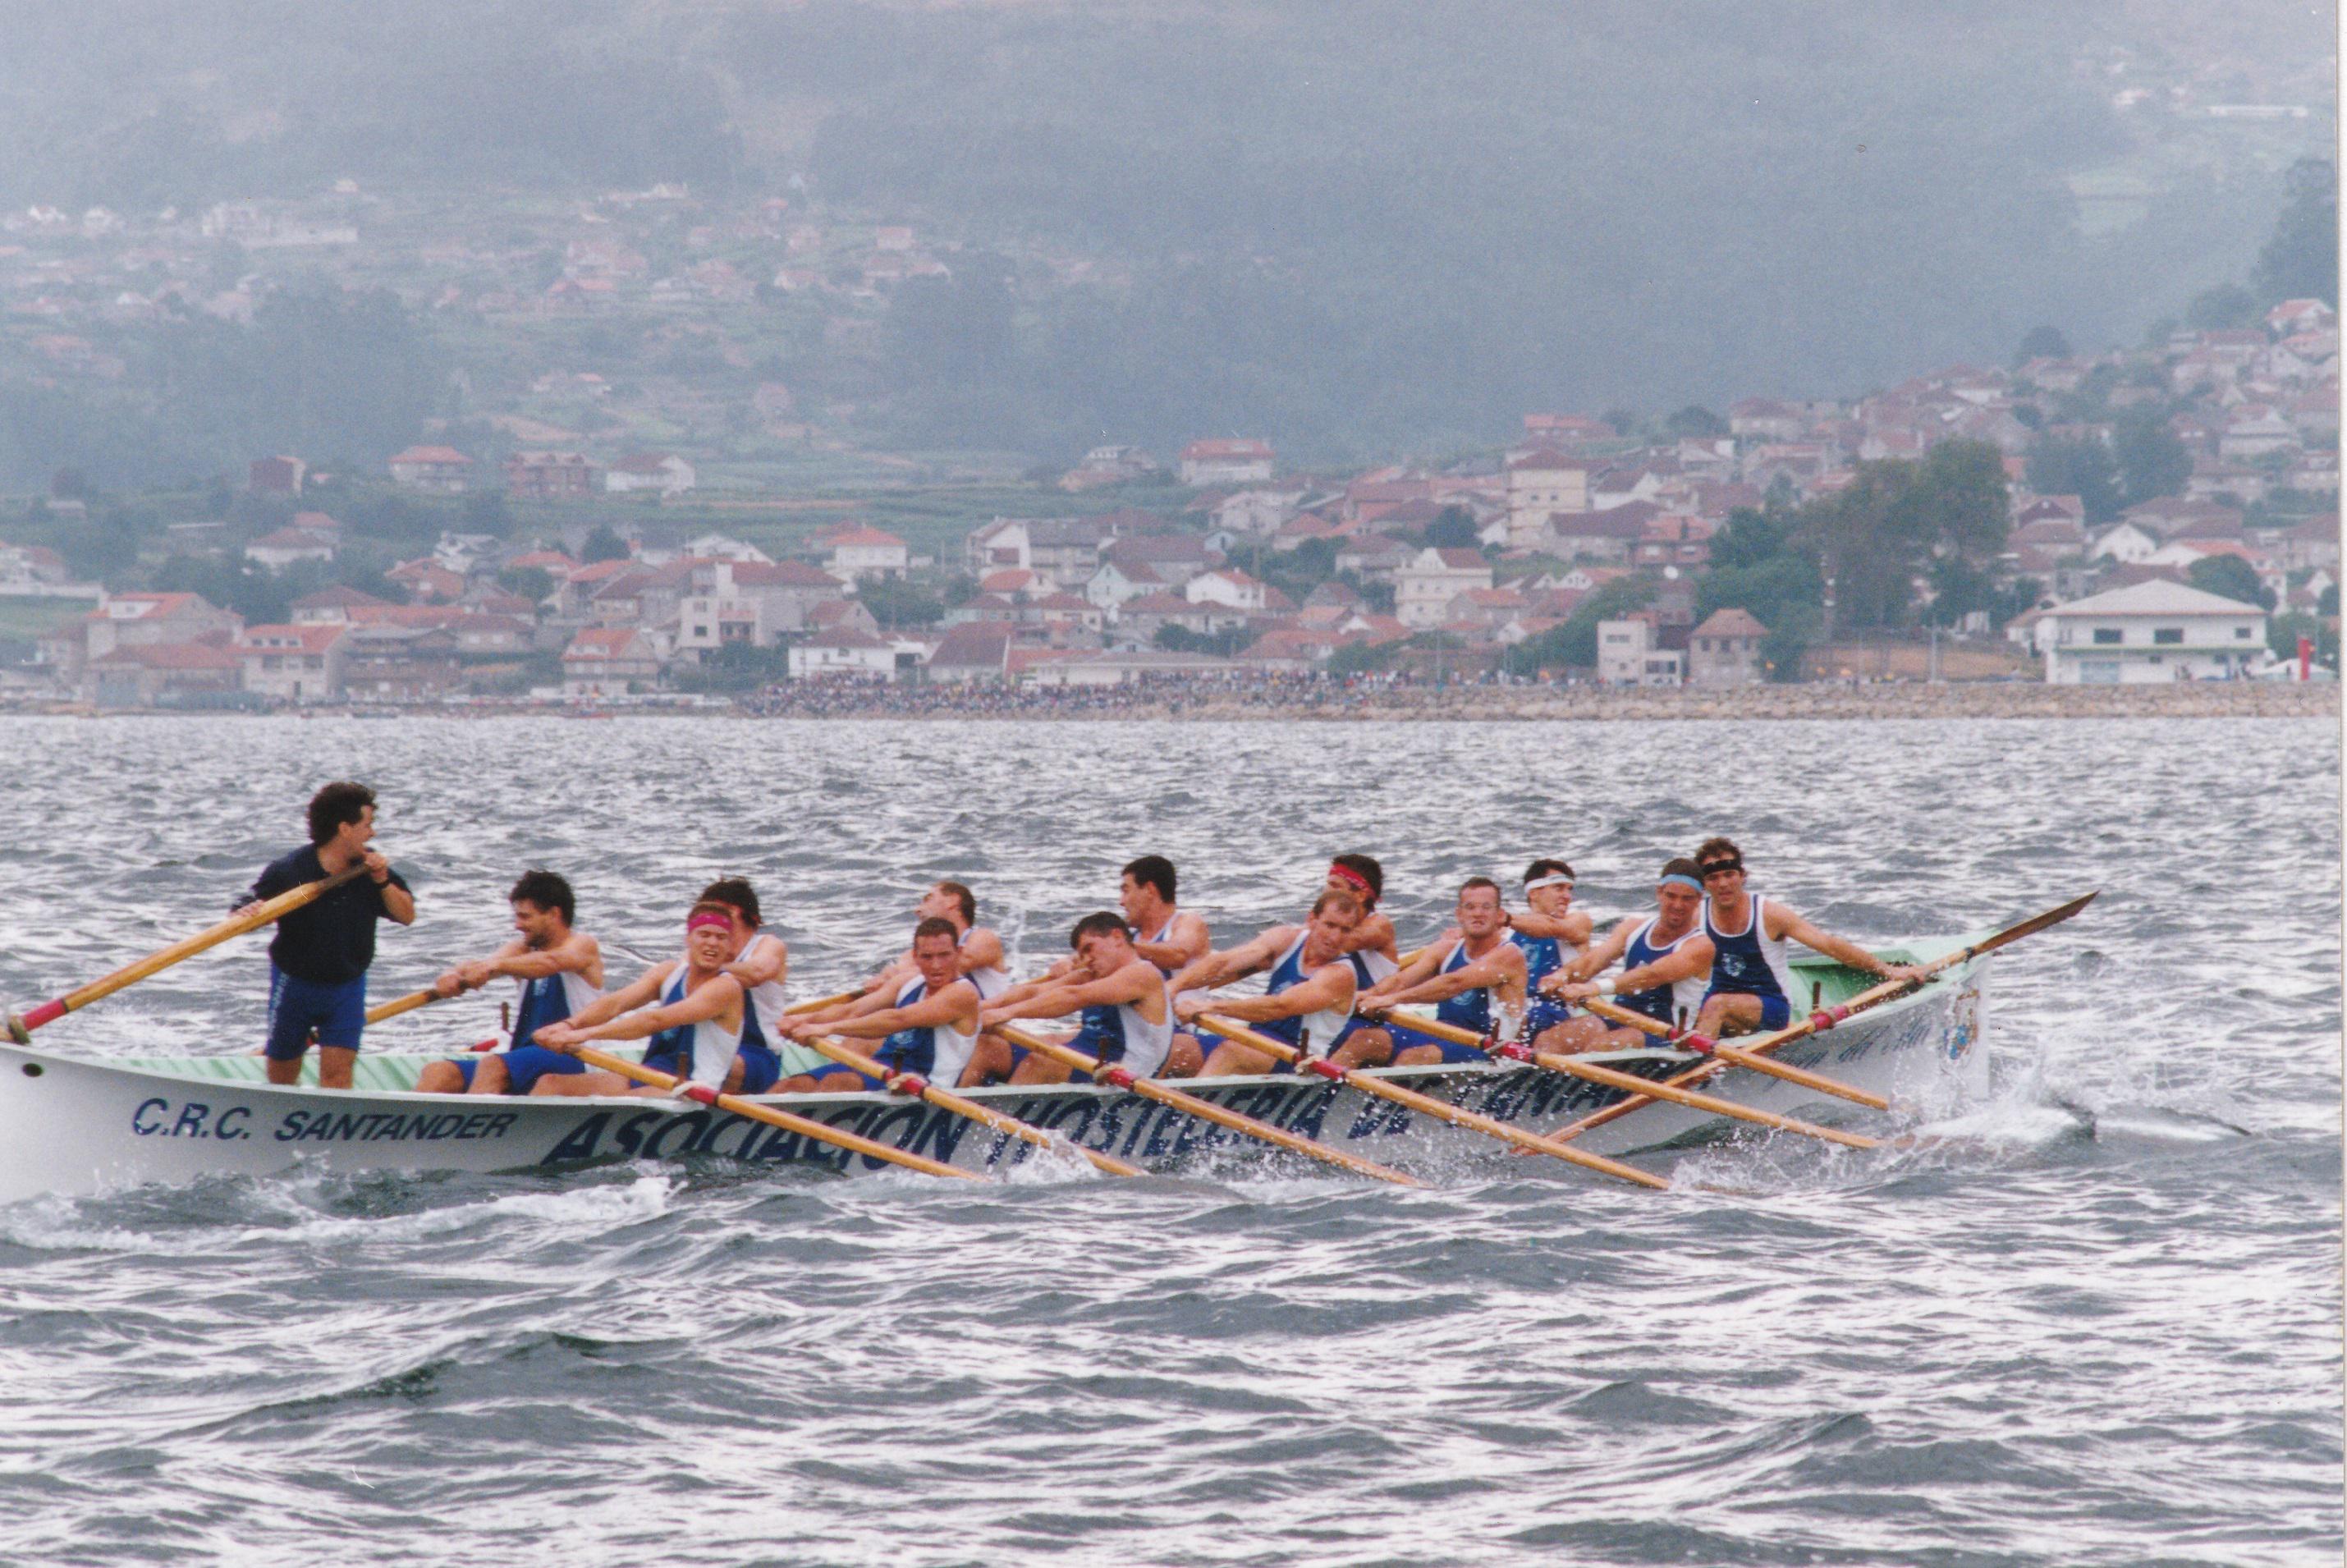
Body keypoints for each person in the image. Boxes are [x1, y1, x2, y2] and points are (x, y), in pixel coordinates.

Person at [237, 782, 415, 1090]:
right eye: (367, 825)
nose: (372, 833)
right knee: (282, 1077)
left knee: (337, 1077)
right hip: (295, 985)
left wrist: (382, 881)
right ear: (345, 829)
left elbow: (406, 915)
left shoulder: (369, 869)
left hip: (347, 987)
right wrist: (244, 914)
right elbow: (249, 907)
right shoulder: (290, 870)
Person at [1678, 837, 1921, 1036]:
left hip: (1770, 1006)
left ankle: (1693, 1077)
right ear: (1703, 886)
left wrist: (1890, 971)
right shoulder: (1697, 916)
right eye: (1713, 878)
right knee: (1685, 1006)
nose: (1723, 884)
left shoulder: (1769, 914)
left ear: (1742, 876)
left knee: (1716, 1004)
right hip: (1720, 1006)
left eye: (1729, 875)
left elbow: (1829, 945)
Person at [529, 901, 746, 1098]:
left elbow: (655, 1021)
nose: (712, 943)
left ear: (729, 947)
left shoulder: (726, 988)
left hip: (692, 1088)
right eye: (704, 934)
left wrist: (582, 1035)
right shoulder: (669, 972)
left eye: (721, 937)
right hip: (651, 1074)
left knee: (620, 1102)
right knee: (550, 1084)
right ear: (688, 938)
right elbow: (616, 1003)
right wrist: (568, 1025)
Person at [415, 870, 603, 1095]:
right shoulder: (521, 950)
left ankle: (478, 1129)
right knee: (438, 1071)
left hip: (575, 1057)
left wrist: (495, 967)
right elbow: (486, 964)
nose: (517, 925)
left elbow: (551, 962)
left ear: (553, 914)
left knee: (493, 1066)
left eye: (525, 917)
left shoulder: (582, 945)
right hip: (525, 1056)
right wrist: (452, 975)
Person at [1168, 888, 1364, 1076]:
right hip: (1259, 1043)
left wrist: (1209, 1007)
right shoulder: (1286, 938)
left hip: (1298, 1061)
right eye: (1330, 925)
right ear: (1312, 920)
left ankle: (1187, 1109)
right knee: (1179, 1046)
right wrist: (1172, 987)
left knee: (1232, 1051)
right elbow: (1223, 963)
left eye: (1345, 930)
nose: (1335, 937)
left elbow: (1280, 1006)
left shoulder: (1340, 975)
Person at [982, 911, 1194, 1084]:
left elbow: (1073, 997)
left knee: (1042, 1061)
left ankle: (995, 1130)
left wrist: (1007, 1013)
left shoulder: (1142, 974)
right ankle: (956, 1116)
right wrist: (985, 1007)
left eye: (1089, 948)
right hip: (1091, 1062)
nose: (1086, 960)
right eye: (1081, 955)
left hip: (1126, 1074)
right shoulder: (1091, 974)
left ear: (1117, 938)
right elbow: (1035, 992)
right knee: (988, 1046)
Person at [779, 917, 985, 1090]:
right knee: (794, 1085)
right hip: (883, 1068)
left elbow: (898, 1019)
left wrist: (827, 1028)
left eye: (944, 955)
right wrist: (801, 1019)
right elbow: (852, 1010)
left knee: (839, 1082)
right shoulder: (909, 981)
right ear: (915, 957)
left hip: (927, 1085)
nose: (936, 965)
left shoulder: (963, 993)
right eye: (927, 957)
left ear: (958, 953)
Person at [1540, 858, 1713, 1052]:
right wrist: (1560, 976)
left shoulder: (1701, 946)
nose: (1677, 905)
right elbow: (1591, 962)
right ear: (1659, 893)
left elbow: (1652, 975)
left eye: (1687, 898)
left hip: (1668, 1033)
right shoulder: (1632, 928)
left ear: (1699, 899)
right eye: (1671, 896)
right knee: (1551, 1040)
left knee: (1602, 1046)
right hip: (1619, 1017)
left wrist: (1594, 988)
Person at [1359, 877, 1528, 1066]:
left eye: (1486, 907)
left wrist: (1393, 999)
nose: (1478, 914)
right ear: (1459, 914)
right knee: (1363, 1040)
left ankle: (1384, 1093)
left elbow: (1454, 983)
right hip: (1445, 1034)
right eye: (1470, 907)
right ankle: (1325, 1092)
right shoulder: (1446, 949)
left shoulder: (1510, 956)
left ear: (1499, 915)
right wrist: (1368, 995)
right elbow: (1400, 981)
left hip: (1491, 1049)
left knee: (1415, 1058)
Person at [697, 878, 792, 1095]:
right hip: (712, 1046)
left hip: (758, 1055)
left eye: (720, 914)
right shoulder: (704, 953)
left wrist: (706, 967)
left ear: (745, 916)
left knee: (719, 1065)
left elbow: (757, 973)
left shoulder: (769, 945)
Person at [1118, 855, 1211, 976]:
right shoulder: (1129, 937)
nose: (1121, 901)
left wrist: (1120, 947)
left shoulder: (1188, 922)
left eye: (1126, 891)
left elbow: (1178, 955)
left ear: (1149, 890)